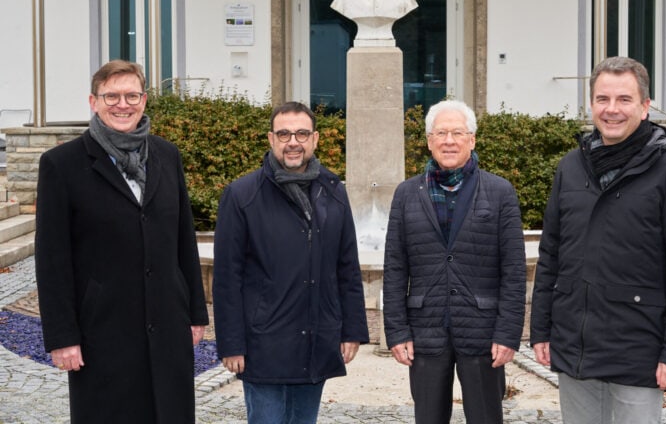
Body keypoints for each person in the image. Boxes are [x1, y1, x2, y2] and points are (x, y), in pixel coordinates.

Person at [530, 56, 666, 424]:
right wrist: (541, 329)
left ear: (645, 107)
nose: (612, 110)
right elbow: (551, 254)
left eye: (624, 100)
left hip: (638, 351)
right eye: (602, 99)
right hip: (575, 348)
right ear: (591, 104)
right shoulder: (570, 167)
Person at [34, 59, 209, 423]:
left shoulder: (166, 155)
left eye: (131, 95)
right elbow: (52, 259)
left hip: (168, 325)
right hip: (103, 330)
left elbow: (183, 240)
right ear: (93, 101)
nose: (122, 104)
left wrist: (194, 313)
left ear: (144, 100)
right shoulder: (61, 165)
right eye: (111, 96)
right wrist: (62, 335)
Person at [213, 101, 369, 424]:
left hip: (316, 340)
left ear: (315, 139)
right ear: (271, 139)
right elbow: (228, 277)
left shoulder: (334, 191)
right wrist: (231, 343)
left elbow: (347, 269)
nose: (293, 142)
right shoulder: (242, 195)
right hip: (264, 345)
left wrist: (352, 330)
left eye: (301, 133)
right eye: (284, 134)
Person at [383, 99, 527, 424]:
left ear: (472, 139)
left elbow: (514, 271)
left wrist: (508, 333)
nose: (449, 140)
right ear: (429, 140)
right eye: (441, 133)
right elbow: (394, 268)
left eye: (457, 133)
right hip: (426, 332)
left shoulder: (500, 192)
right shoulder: (406, 195)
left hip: (483, 333)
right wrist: (396, 331)